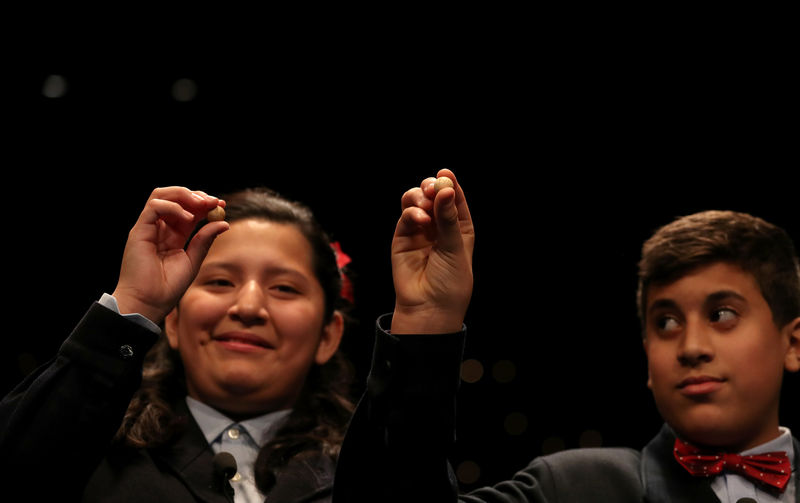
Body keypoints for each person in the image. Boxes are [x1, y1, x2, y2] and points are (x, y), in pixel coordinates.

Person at [331, 173, 800, 502]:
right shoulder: (572, 488)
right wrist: (426, 319)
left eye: (722, 314)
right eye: (666, 322)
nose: (691, 346)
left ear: (793, 343)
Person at [0, 186, 357, 502]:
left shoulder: (378, 464)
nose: (248, 308)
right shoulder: (90, 450)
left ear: (328, 336)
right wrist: (136, 304)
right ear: (172, 321)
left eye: (284, 288)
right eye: (219, 282)